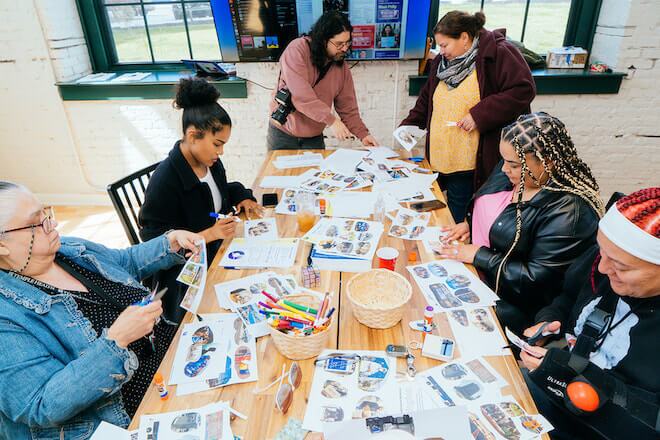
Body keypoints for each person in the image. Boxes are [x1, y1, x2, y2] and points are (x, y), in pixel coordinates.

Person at [0, 181, 202, 439]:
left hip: (173, 358)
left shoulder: (67, 249)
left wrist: (169, 243)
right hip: (134, 413)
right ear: (2, 245)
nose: (52, 224)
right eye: (37, 223)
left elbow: (124, 261)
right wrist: (116, 342)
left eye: (46, 214)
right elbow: (42, 405)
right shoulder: (6, 317)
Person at [437, 113, 604, 333]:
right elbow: (494, 204)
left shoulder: (570, 212)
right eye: (503, 160)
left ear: (548, 163)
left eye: (513, 165)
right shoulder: (515, 169)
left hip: (509, 303)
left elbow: (535, 280)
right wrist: (472, 222)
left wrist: (479, 255)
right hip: (476, 271)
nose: (504, 169)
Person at [520, 187, 660, 440]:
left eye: (620, 266)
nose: (603, 268)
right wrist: (549, 319)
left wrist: (566, 371)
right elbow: (567, 297)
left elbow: (649, 422)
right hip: (558, 395)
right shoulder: (604, 264)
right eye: (601, 253)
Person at [139, 77, 262, 322]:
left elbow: (220, 191)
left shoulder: (210, 163)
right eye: (217, 144)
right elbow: (153, 241)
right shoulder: (165, 180)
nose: (221, 152)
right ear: (193, 136)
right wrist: (209, 235)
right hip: (184, 278)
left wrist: (244, 197)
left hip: (219, 253)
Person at [400, 11, 535, 222]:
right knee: (431, 213)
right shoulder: (441, 63)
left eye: (445, 45)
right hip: (439, 156)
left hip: (468, 162)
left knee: (456, 219)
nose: (440, 51)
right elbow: (427, 100)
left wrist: (478, 115)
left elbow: (522, 90)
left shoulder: (499, 54)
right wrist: (408, 126)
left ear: (464, 37)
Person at [267, 11, 378, 150]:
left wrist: (363, 135)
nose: (344, 49)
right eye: (339, 44)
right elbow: (301, 96)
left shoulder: (341, 68)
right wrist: (332, 121)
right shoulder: (297, 50)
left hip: (314, 138)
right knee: (279, 173)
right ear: (323, 39)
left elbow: (348, 109)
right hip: (283, 134)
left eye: (347, 43)